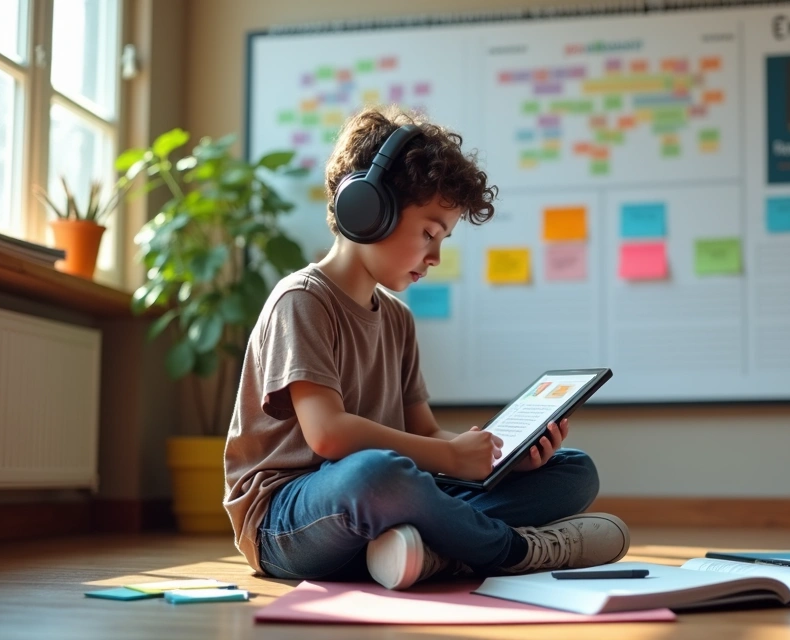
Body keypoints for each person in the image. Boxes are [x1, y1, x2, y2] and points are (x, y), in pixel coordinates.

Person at [222, 104, 629, 590]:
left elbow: (424, 432)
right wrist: (453, 460)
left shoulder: (396, 318)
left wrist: (498, 460)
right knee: (375, 474)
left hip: (386, 508)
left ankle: (425, 553)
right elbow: (327, 435)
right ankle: (510, 550)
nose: (436, 256)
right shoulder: (302, 300)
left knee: (573, 470)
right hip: (292, 519)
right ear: (369, 211)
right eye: (430, 233)